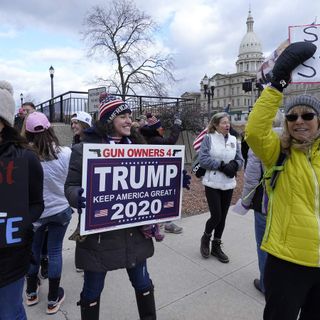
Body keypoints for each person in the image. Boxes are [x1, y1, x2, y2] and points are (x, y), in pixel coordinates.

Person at [245, 41, 320, 319]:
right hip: (288, 261)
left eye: (308, 115)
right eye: (292, 116)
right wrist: (276, 84)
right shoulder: (278, 151)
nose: (299, 120)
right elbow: (254, 131)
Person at [64, 93, 156, 320]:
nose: (128, 121)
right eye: (122, 116)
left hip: (134, 234)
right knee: (92, 290)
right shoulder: (83, 150)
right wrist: (79, 196)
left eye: (129, 116)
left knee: (143, 283)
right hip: (99, 237)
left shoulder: (139, 148)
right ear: (108, 121)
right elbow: (70, 187)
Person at [0, 80, 44, 320]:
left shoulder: (25, 158)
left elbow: (37, 204)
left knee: (8, 313)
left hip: (9, 258)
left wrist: (20, 222)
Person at [24, 112, 72, 314]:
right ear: (50, 129)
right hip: (60, 210)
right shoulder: (66, 153)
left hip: (35, 214)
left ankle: (31, 292)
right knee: (54, 252)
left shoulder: (24, 156)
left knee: (34, 251)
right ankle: (53, 299)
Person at [234, 112, 284, 294]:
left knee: (263, 246)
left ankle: (266, 284)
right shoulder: (293, 140)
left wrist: (245, 202)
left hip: (265, 202)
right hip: (287, 204)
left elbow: (252, 177)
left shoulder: (262, 142)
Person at [198, 112, 243, 263]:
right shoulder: (208, 138)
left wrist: (234, 165)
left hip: (228, 183)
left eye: (228, 122)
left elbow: (240, 159)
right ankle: (205, 237)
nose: (227, 125)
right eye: (223, 123)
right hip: (212, 183)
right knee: (216, 215)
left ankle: (216, 246)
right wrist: (222, 165)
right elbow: (203, 159)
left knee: (223, 217)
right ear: (216, 125)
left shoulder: (233, 139)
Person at [140, 113, 184, 234]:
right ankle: (164, 223)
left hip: (155, 173)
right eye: (160, 128)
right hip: (155, 174)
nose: (162, 129)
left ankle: (162, 222)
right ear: (155, 130)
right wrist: (176, 126)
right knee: (160, 198)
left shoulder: (147, 137)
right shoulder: (155, 140)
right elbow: (170, 141)